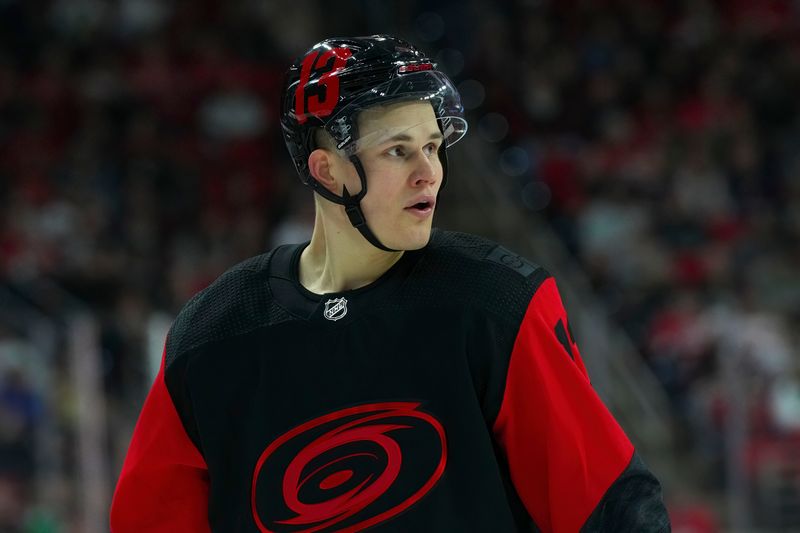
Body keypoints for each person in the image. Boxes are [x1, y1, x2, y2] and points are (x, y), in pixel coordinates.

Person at [110, 35, 670, 532]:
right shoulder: (213, 333)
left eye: (432, 145)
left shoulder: (494, 303)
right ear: (327, 170)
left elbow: (609, 507)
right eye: (398, 150)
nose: (429, 172)